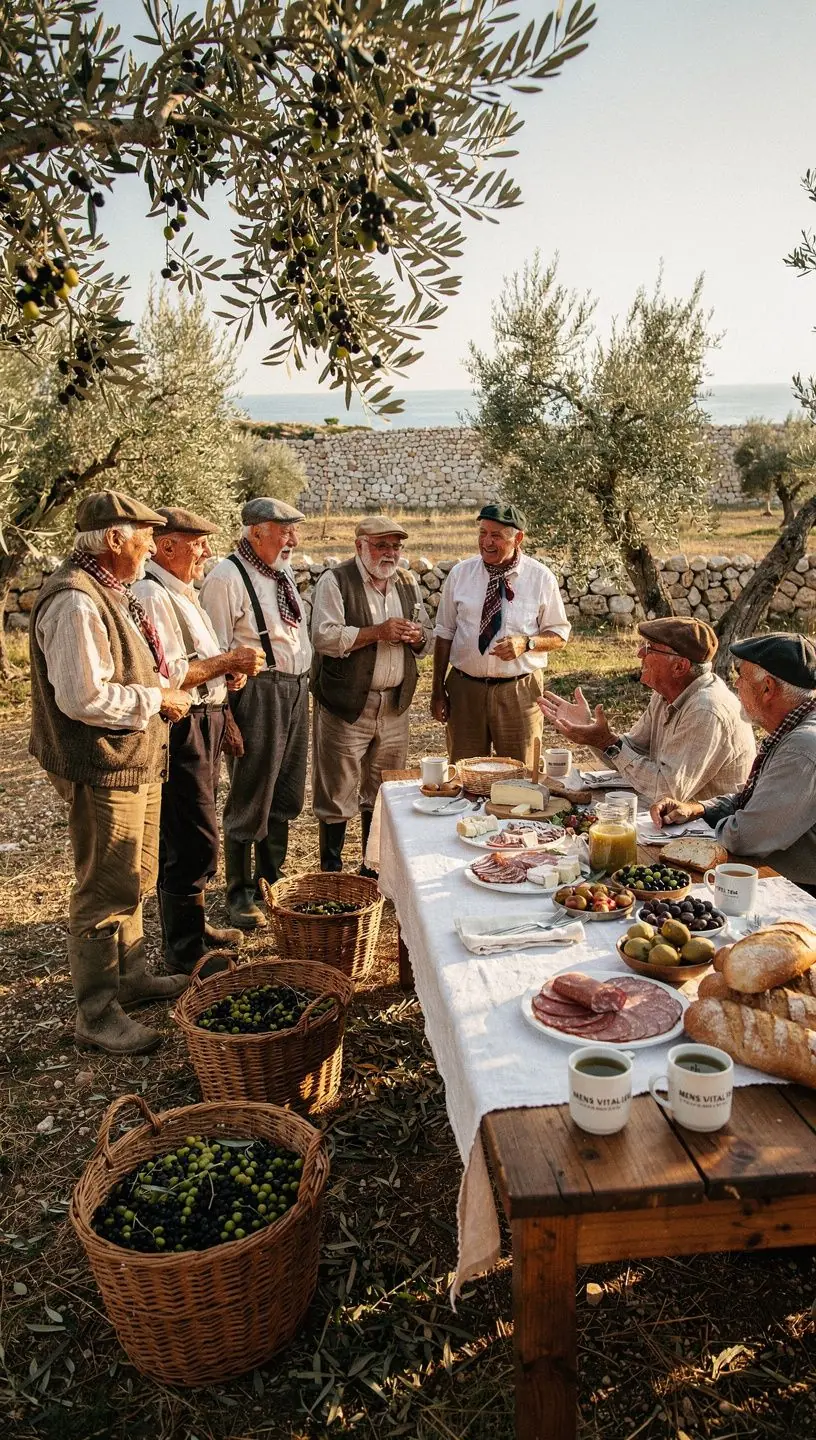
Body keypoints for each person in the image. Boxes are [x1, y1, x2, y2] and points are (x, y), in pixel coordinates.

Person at [28, 489, 194, 1055]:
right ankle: (96, 1013)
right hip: (102, 765)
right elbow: (83, 697)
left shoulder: (110, 590)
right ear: (115, 538)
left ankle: (130, 977)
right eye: (146, 535)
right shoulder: (76, 600)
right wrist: (157, 699)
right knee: (104, 888)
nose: (151, 544)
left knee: (135, 874)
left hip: (130, 759)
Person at [133, 506, 266, 973]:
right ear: (167, 546)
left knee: (194, 829)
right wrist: (229, 662)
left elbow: (201, 663)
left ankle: (194, 927)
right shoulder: (151, 594)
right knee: (191, 836)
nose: (207, 551)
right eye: (198, 543)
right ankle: (184, 951)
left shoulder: (182, 592)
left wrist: (227, 679)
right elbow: (168, 675)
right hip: (181, 726)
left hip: (204, 720)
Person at [200, 497, 311, 928]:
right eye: (285, 531)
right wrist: (227, 715)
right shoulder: (226, 577)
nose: (293, 540)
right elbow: (213, 653)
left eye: (293, 531)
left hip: (295, 689)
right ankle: (239, 893)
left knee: (285, 792)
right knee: (251, 792)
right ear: (256, 532)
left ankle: (270, 879)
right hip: (259, 692)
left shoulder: (281, 572)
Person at [310, 515, 433, 872]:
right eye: (381, 545)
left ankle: (372, 870)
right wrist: (377, 632)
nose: (390, 553)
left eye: (395, 546)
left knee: (384, 790)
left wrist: (418, 637)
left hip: (394, 706)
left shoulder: (406, 581)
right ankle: (332, 872)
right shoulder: (336, 580)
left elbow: (427, 639)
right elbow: (324, 637)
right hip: (347, 704)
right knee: (337, 790)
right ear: (359, 545)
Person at [651, 633, 816, 891]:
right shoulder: (796, 728)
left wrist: (701, 835)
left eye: (741, 676)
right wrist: (699, 809)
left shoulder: (801, 748)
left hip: (800, 890)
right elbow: (756, 799)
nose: (736, 684)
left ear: (768, 688)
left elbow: (746, 837)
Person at [537, 617, 755, 803]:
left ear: (679, 667)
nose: (640, 653)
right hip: (671, 817)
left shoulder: (706, 710)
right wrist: (590, 731)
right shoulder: (665, 695)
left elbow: (667, 792)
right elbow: (631, 752)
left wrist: (606, 742)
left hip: (708, 828)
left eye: (650, 648)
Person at [431, 503, 570, 765]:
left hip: (519, 692)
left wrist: (527, 643)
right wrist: (437, 690)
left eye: (496, 535)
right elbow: (445, 632)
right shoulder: (460, 574)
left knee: (521, 774)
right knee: (465, 773)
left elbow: (560, 635)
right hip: (465, 691)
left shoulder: (540, 578)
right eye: (482, 533)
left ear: (518, 538)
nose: (486, 542)